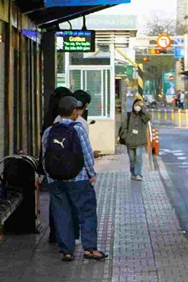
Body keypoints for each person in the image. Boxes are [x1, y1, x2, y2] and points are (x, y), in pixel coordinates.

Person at [41, 96, 107, 262]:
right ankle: (90, 249)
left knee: (62, 214)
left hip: (56, 181)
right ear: (74, 112)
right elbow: (87, 154)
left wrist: (50, 177)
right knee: (87, 212)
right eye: (77, 109)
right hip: (78, 179)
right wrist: (92, 174)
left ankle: (67, 251)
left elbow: (44, 157)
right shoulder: (78, 129)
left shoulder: (49, 131)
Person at [41, 87, 72, 243]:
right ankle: (63, 234)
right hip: (66, 167)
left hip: (51, 167)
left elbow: (44, 147)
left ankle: (55, 233)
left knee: (55, 200)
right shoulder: (62, 120)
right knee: (64, 201)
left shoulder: (48, 118)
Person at [119, 98, 151, 181]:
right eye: (136, 105)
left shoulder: (143, 116)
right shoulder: (129, 116)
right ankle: (133, 173)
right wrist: (126, 137)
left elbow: (148, 117)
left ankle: (138, 174)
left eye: (139, 105)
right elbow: (124, 127)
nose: (137, 106)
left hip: (140, 141)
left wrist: (142, 108)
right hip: (130, 141)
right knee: (132, 159)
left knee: (138, 157)